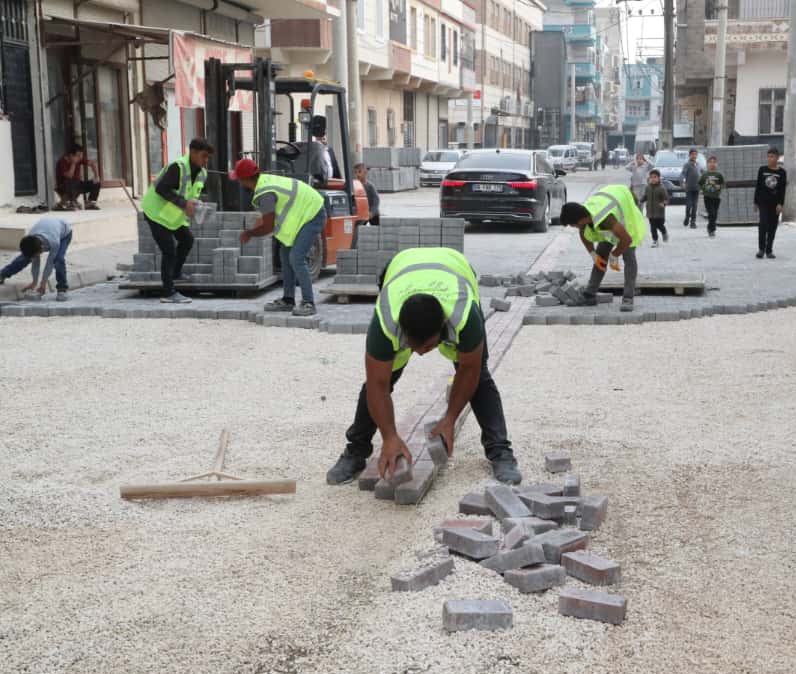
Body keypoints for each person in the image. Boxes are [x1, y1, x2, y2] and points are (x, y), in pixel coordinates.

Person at [326, 247, 523, 486]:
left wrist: (450, 418)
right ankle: (355, 452)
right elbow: (377, 386)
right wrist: (389, 437)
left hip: (454, 266)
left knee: (479, 375)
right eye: (413, 345)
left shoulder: (464, 315)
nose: (419, 353)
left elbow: (469, 371)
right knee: (379, 381)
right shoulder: (385, 321)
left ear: (443, 327)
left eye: (428, 346)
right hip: (401, 266)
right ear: (402, 329)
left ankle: (501, 452)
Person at [231, 158, 327, 317]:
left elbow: (268, 227)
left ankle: (308, 302)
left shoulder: (265, 193)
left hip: (313, 213)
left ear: (245, 179)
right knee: (285, 254)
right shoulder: (264, 182)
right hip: (302, 213)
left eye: (239, 179)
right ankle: (288, 300)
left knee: (296, 257)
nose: (239, 183)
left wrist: (249, 233)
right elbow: (272, 214)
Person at [140, 138, 212, 304]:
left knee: (187, 240)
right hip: (155, 213)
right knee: (169, 250)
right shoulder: (178, 167)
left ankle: (176, 273)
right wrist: (184, 204)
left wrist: (197, 204)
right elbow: (161, 189)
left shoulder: (202, 173)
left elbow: (191, 193)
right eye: (203, 156)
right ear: (192, 152)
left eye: (208, 157)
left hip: (171, 216)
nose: (206, 160)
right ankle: (168, 292)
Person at [559, 184, 646, 313]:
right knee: (600, 256)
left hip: (626, 206)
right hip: (610, 202)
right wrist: (594, 255)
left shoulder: (605, 219)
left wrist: (614, 255)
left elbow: (626, 240)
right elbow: (584, 235)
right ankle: (589, 295)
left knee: (628, 256)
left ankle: (628, 298)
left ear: (580, 221)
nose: (574, 227)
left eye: (573, 225)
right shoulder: (583, 215)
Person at [0, 218, 73, 301]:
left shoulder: (54, 242)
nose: (35, 257)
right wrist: (34, 282)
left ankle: (62, 289)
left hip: (65, 234)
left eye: (36, 255)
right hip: (48, 229)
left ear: (41, 248)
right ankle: (2, 274)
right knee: (24, 258)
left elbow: (49, 264)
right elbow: (36, 263)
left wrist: (43, 283)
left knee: (58, 259)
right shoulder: (31, 240)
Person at [754, 148, 787, 259]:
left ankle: (769, 250)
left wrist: (780, 204)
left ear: (777, 158)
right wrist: (755, 202)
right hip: (763, 202)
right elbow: (758, 186)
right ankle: (761, 249)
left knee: (772, 226)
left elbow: (782, 189)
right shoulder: (762, 170)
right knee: (763, 224)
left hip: (775, 204)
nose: (769, 159)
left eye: (772, 156)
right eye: (768, 156)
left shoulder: (782, 172)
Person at [55, 144, 101, 210]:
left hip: (77, 184)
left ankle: (89, 204)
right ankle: (71, 203)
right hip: (65, 186)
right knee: (71, 182)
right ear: (71, 155)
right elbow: (69, 176)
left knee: (96, 183)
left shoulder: (79, 159)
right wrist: (73, 163)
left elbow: (92, 163)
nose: (80, 157)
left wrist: (97, 176)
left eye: (80, 155)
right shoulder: (62, 162)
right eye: (78, 155)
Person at [699, 155, 726, 238]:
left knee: (715, 215)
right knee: (711, 213)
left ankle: (709, 227)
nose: (712, 164)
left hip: (716, 197)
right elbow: (700, 184)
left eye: (714, 162)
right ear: (707, 164)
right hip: (707, 197)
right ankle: (712, 230)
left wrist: (719, 186)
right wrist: (703, 188)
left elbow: (723, 184)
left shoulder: (719, 175)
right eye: (710, 162)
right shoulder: (705, 175)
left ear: (716, 164)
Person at [640, 169, 669, 247]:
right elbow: (645, 196)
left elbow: (666, 198)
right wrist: (641, 200)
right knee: (653, 227)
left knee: (660, 225)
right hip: (650, 212)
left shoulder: (661, 188)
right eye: (651, 177)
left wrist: (663, 203)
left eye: (655, 177)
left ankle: (664, 232)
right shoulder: (647, 187)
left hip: (659, 212)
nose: (653, 179)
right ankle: (655, 240)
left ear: (659, 178)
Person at [682, 148, 702, 229]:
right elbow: (683, 174)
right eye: (692, 154)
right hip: (689, 188)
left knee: (695, 205)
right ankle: (687, 217)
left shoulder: (698, 164)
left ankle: (693, 222)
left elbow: (701, 174)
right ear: (689, 155)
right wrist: (683, 182)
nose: (694, 156)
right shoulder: (687, 165)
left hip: (697, 188)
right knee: (689, 204)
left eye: (695, 154)